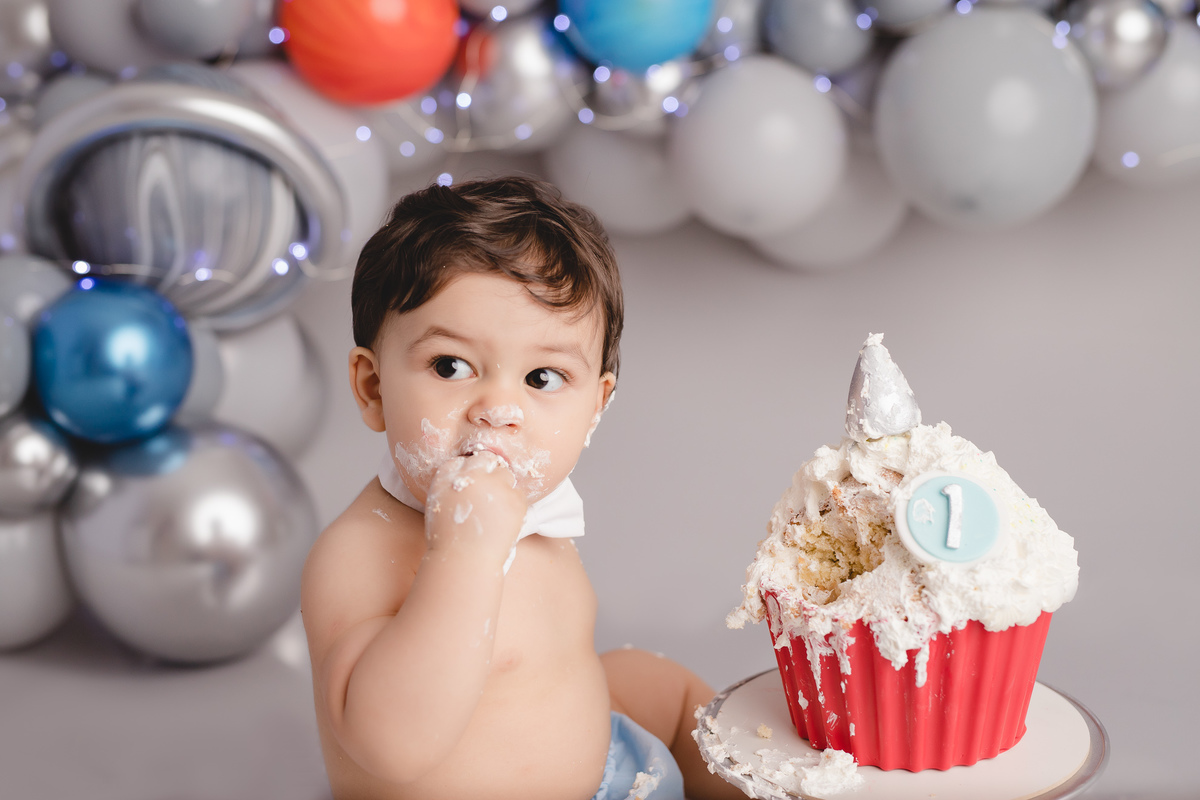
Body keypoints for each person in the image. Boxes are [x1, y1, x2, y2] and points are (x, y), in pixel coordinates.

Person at [300, 176, 744, 800]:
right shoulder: (355, 553)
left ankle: (760, 787)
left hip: (602, 770)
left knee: (655, 684)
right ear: (373, 388)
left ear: (595, 406)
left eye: (542, 378)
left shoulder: (536, 513)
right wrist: (463, 554)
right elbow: (389, 745)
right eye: (451, 366)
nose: (499, 409)